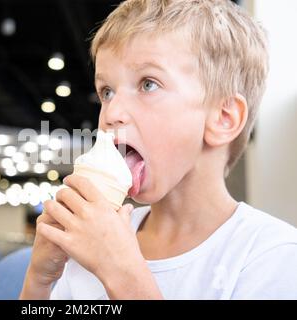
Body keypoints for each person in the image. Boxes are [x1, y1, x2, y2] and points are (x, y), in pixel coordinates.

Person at [20, 0, 297, 299]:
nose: (112, 112)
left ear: (223, 118)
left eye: (148, 84)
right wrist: (39, 280)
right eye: (107, 92)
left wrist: (123, 275)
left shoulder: (271, 256)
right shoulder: (94, 241)